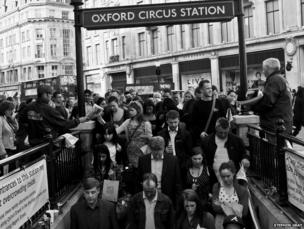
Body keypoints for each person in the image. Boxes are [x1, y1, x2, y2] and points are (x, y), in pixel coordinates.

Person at [17, 85, 91, 146]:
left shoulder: (29, 107)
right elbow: (64, 124)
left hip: (32, 144)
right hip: (45, 145)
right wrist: (80, 120)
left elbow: (21, 120)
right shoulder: (48, 109)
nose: (50, 97)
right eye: (50, 94)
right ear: (45, 94)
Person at [201, 118, 250, 186]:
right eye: (220, 132)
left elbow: (244, 153)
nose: (223, 135)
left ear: (229, 129)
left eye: (225, 132)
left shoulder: (237, 141)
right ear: (216, 129)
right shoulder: (207, 141)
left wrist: (245, 159)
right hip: (214, 178)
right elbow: (203, 158)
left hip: (232, 178)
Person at [252, 58, 293, 134]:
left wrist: (253, 107)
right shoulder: (282, 79)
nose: (263, 72)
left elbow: (267, 102)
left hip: (275, 125)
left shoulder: (274, 80)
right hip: (285, 124)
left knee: (274, 145)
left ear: (268, 69)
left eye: (264, 69)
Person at [137, 136, 182, 205]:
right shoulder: (143, 160)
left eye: (159, 150)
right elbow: (138, 181)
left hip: (167, 198)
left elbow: (177, 183)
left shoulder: (173, 161)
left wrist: (177, 203)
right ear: (150, 149)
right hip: (148, 197)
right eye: (154, 150)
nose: (157, 153)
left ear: (164, 148)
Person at [157, 110, 192, 184]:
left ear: (179, 120)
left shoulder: (185, 134)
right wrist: (164, 150)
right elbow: (157, 151)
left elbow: (189, 152)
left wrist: (185, 165)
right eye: (171, 122)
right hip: (166, 164)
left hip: (181, 165)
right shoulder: (161, 134)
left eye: (175, 122)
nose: (173, 125)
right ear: (167, 121)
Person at [212, 161, 249, 229]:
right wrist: (234, 206)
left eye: (228, 176)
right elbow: (215, 207)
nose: (225, 179)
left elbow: (244, 212)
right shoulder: (216, 187)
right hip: (220, 223)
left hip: (235, 224)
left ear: (233, 173)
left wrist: (223, 205)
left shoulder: (242, 190)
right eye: (223, 177)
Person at [116, 101, 152, 168]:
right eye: (129, 110)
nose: (130, 112)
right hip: (131, 150)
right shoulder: (127, 121)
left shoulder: (146, 123)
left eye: (132, 110)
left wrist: (146, 137)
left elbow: (150, 138)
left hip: (143, 151)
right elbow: (117, 131)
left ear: (138, 110)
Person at [191, 80, 226, 144]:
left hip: (218, 137)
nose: (210, 90)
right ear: (201, 90)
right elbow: (193, 123)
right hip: (205, 138)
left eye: (210, 88)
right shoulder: (197, 105)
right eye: (207, 88)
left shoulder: (218, 102)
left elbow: (224, 119)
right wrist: (200, 132)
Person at [0, 100, 19, 174]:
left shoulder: (6, 118)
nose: (11, 111)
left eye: (12, 109)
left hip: (11, 148)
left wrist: (13, 119)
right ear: (4, 109)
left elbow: (16, 129)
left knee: (12, 171)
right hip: (5, 150)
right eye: (9, 109)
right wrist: (2, 152)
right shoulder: (0, 119)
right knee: (6, 173)